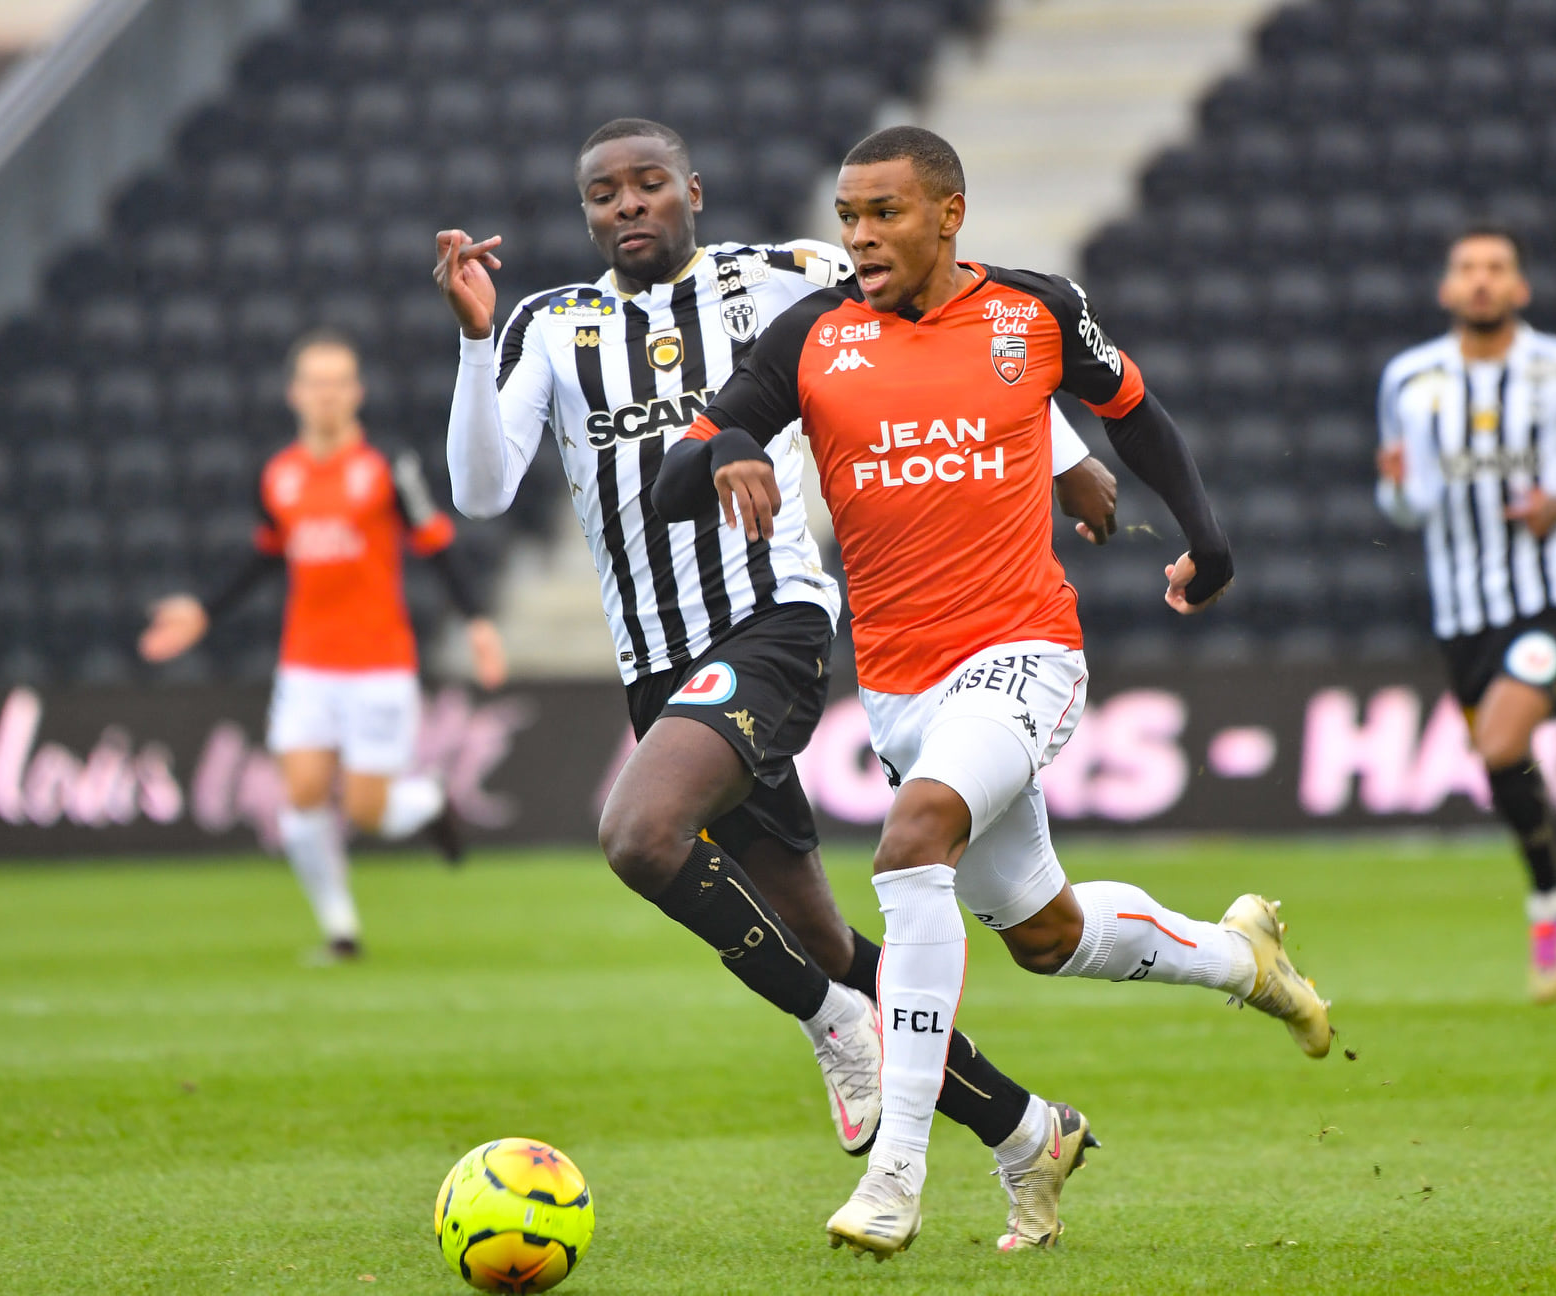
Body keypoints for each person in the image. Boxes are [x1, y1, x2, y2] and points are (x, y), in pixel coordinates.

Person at [438, 117, 1121, 1250]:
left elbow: (945, 339)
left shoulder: (787, 278)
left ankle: (834, 1029)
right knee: (826, 942)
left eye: (649, 184)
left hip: (770, 625)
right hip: (658, 667)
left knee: (639, 836)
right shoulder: (549, 327)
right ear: (586, 214)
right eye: (603, 194)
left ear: (692, 191)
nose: (628, 206)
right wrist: (470, 346)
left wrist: (1069, 454)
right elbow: (478, 491)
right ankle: (1024, 1131)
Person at [654, 124, 1333, 1260]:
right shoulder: (814, 335)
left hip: (1025, 652)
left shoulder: (1036, 313)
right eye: (849, 216)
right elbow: (687, 465)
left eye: (885, 214)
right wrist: (731, 447)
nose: (860, 237)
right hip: (903, 690)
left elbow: (1139, 415)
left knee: (912, 843)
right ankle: (1242, 960)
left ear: (949, 213)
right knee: (1045, 932)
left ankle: (898, 1173)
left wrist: (1207, 541)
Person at [139, 329, 505, 961]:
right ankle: (341, 932)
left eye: (339, 382)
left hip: (379, 665)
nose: (328, 394)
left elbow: (437, 543)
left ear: (357, 392)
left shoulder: (388, 469)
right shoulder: (278, 475)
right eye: (316, 382)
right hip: (305, 664)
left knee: (368, 811)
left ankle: (431, 800)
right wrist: (204, 612)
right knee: (301, 794)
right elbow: (265, 555)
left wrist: (476, 620)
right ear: (295, 394)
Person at [1376, 226, 1556, 1021]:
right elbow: (1408, 504)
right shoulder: (1408, 379)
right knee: (1507, 772)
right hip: (1460, 611)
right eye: (1466, 269)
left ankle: (1546, 905)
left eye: (1495, 269)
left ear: (1519, 289)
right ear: (1445, 288)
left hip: (1550, 598)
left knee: (1500, 743)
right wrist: (1397, 490)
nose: (1479, 282)